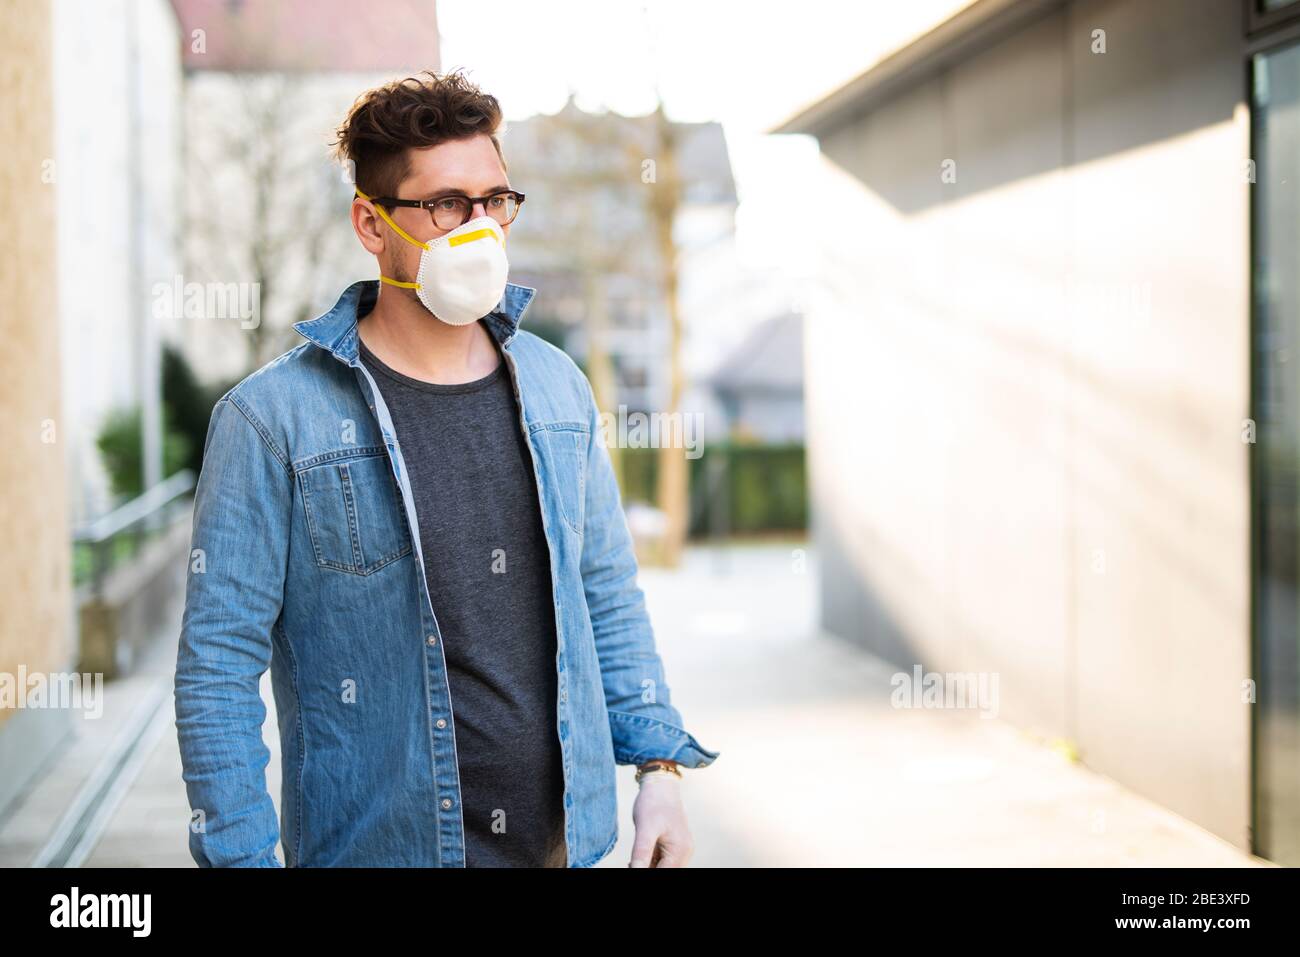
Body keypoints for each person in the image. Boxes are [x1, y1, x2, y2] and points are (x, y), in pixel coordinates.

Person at [173, 69, 719, 868]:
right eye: (445, 205)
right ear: (371, 221)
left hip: (562, 848)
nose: (480, 231)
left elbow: (605, 591)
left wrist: (659, 770)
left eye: (495, 201)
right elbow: (217, 669)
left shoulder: (557, 387)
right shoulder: (272, 420)